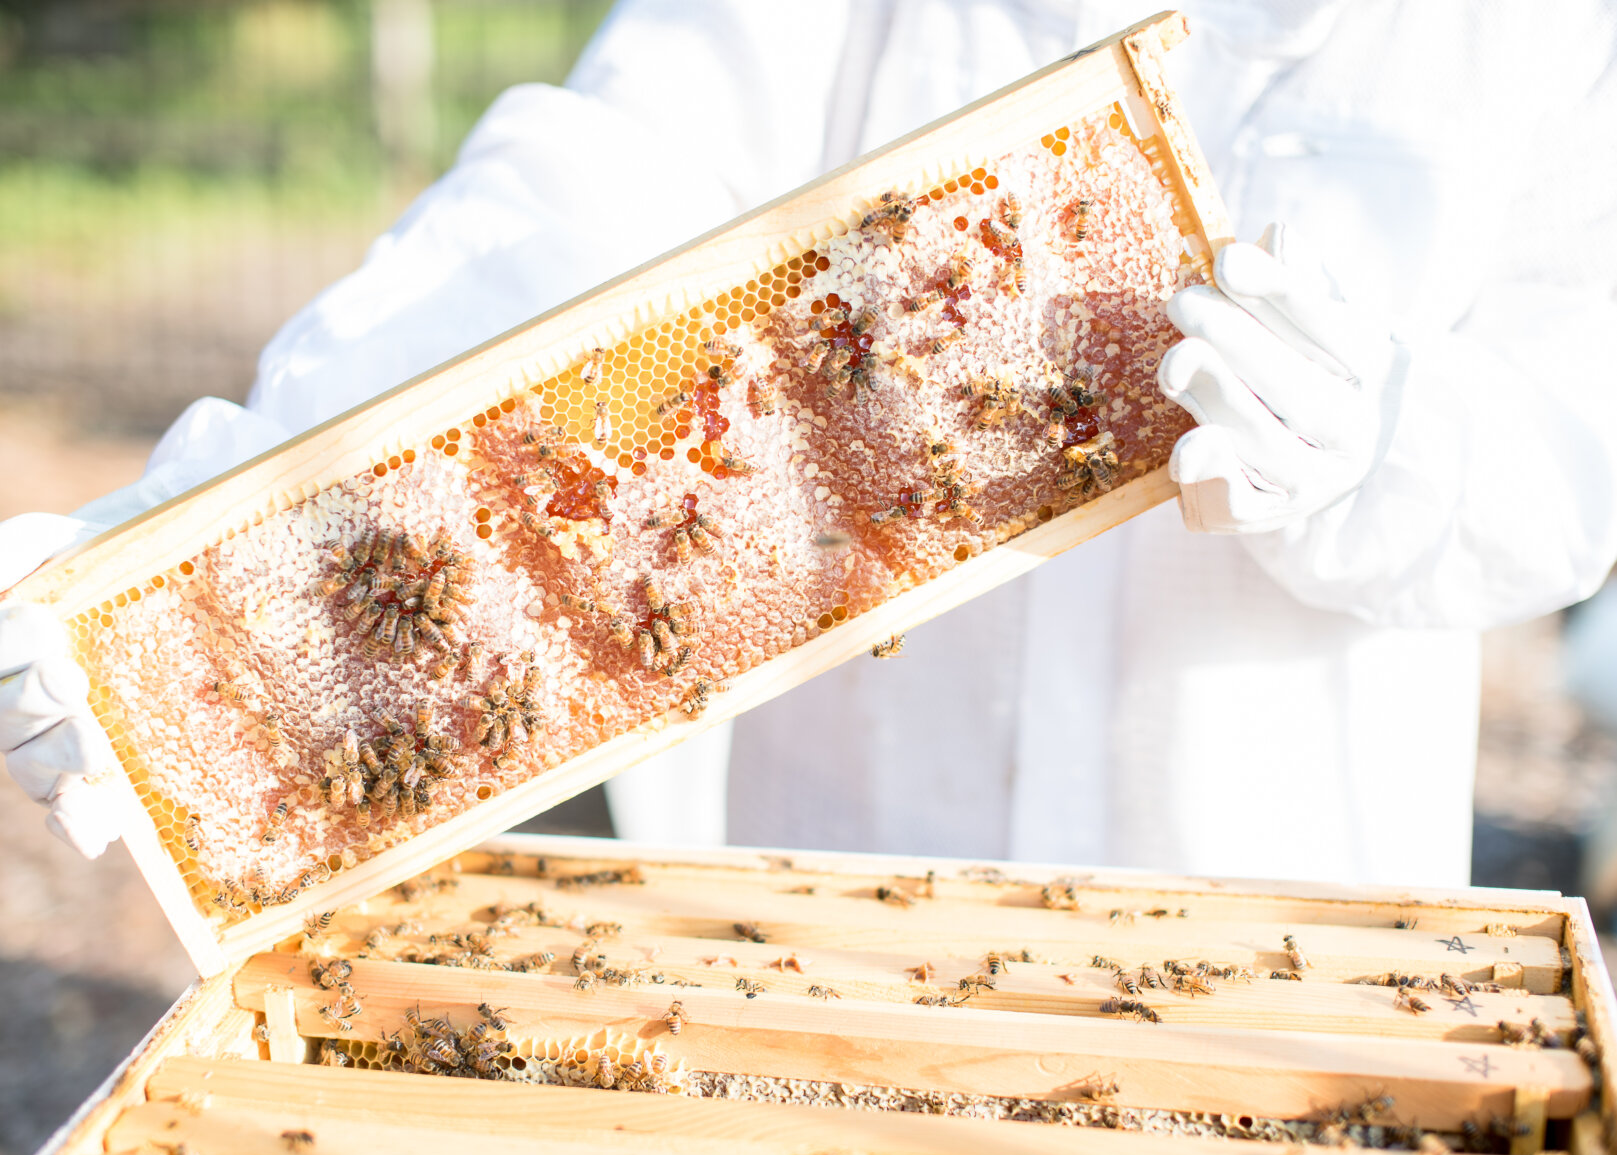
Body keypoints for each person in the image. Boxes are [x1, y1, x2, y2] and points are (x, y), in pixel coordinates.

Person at [2, 1, 1614, 885]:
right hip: (836, 896)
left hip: (1278, 904)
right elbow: (587, 197)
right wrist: (201, 543)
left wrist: (1394, 446)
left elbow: (1575, 443)